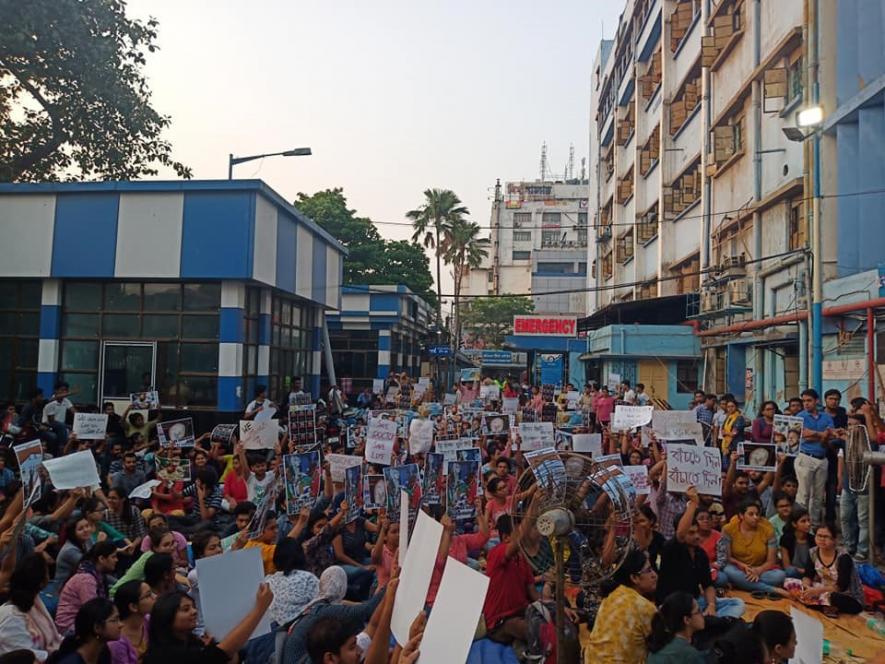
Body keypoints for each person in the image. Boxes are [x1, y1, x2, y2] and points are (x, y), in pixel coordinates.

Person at [656, 487, 744, 619]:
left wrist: (711, 606)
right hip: (673, 605)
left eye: (697, 532)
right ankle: (709, 623)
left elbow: (707, 585)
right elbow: (681, 534)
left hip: (696, 602)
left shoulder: (700, 553)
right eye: (691, 533)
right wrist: (693, 503)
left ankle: (706, 622)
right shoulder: (671, 549)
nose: (697, 536)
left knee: (738, 603)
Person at [281, 567, 386, 664]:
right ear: (330, 658)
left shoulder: (315, 606)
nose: (360, 651)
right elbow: (367, 610)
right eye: (352, 647)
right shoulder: (323, 612)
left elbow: (373, 625)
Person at [143, 586, 273, 664]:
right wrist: (259, 609)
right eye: (186, 609)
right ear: (167, 617)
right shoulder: (165, 654)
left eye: (193, 607)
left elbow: (228, 658)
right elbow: (221, 653)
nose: (194, 612)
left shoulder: (191, 642)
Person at [586, 549, 657, 664]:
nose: (654, 575)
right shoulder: (644, 607)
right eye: (648, 570)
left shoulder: (611, 596)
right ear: (634, 578)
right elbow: (662, 645)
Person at [784, 521, 864, 614]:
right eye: (819, 536)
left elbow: (841, 587)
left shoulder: (843, 557)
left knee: (833, 598)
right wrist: (805, 587)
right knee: (789, 583)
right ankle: (822, 605)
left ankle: (821, 605)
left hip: (845, 595)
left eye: (825, 537)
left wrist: (817, 591)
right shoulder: (813, 552)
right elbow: (808, 575)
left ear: (834, 539)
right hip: (822, 589)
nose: (822, 539)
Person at [481, 515, 537, 644]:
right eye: (518, 533)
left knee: (558, 616)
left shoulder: (522, 560)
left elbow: (533, 593)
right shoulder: (496, 553)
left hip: (522, 611)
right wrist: (534, 504)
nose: (524, 536)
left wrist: (553, 609)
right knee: (531, 629)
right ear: (506, 538)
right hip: (500, 622)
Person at [719, 498, 788, 596]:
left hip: (760, 569)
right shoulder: (728, 529)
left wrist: (757, 570)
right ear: (741, 516)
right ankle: (771, 589)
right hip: (738, 568)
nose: (755, 517)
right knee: (728, 571)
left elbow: (771, 561)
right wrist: (742, 565)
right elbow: (727, 558)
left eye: (757, 514)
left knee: (779, 576)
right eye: (751, 514)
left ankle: (743, 583)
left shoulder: (767, 530)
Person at [0, 554, 63, 659]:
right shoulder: (11, 616)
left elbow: (52, 635)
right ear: (41, 582)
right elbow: (23, 657)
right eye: (47, 572)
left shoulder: (35, 604)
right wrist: (56, 655)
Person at [55, 542, 118, 635]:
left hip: (82, 621)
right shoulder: (86, 580)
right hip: (69, 626)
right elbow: (94, 611)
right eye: (113, 557)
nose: (116, 560)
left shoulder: (99, 576)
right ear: (101, 559)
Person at [795, 388, 834, 527]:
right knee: (803, 494)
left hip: (822, 457)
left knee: (818, 496)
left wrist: (820, 436)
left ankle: (815, 525)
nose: (806, 404)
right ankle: (800, 523)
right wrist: (820, 434)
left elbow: (829, 436)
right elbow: (803, 435)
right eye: (804, 401)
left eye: (809, 401)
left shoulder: (826, 417)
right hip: (806, 456)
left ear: (816, 401)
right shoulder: (800, 416)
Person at [46, 598, 121, 664]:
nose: (121, 625)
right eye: (114, 620)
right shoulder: (71, 661)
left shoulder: (103, 653)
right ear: (97, 627)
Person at [265, 538, 320, 627]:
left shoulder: (267, 581)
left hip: (272, 632)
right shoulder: (308, 578)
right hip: (299, 629)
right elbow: (324, 603)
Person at [646, 592, 705, 663]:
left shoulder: (657, 646)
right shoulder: (690, 655)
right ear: (687, 619)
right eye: (698, 610)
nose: (703, 614)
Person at [108, 581, 154, 664]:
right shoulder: (117, 641)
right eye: (148, 596)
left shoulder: (148, 621)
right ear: (133, 607)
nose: (154, 598)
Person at [779, 506, 812, 577]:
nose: (808, 524)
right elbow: (786, 566)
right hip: (794, 572)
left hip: (809, 572)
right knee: (790, 571)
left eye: (809, 520)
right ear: (794, 524)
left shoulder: (812, 539)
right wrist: (803, 571)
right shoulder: (786, 539)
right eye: (803, 521)